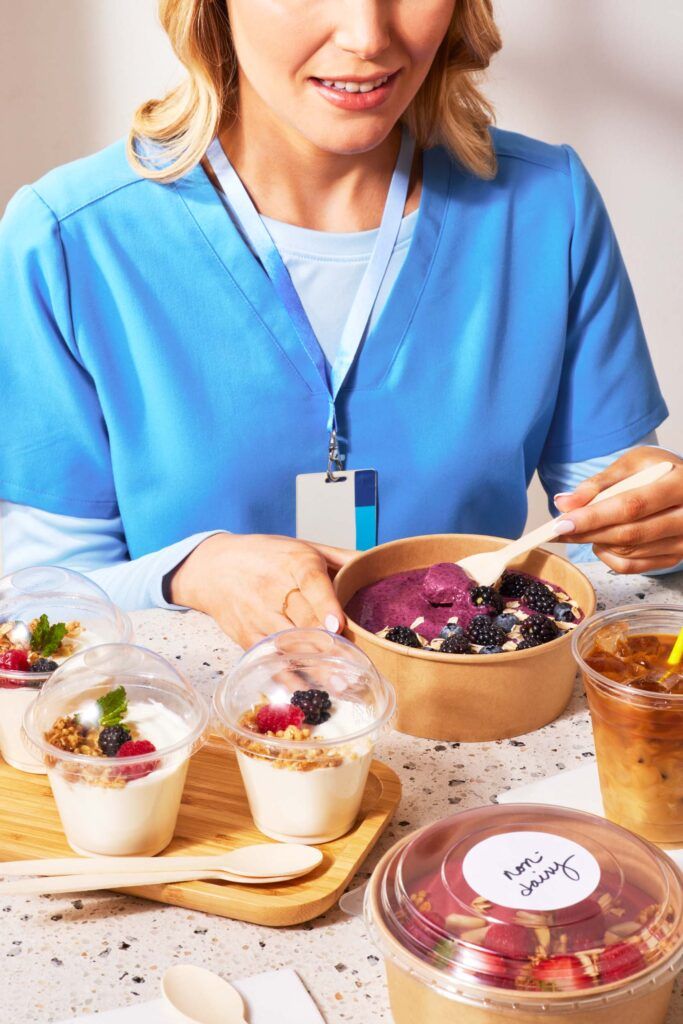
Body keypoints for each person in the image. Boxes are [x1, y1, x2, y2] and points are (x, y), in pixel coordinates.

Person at [0, 0, 680, 651]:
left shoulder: (545, 208)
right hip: (195, 747)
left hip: (482, 730)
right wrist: (188, 573)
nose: (366, 35)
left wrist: (658, 528)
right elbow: (43, 611)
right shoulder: (66, 239)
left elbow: (615, 569)